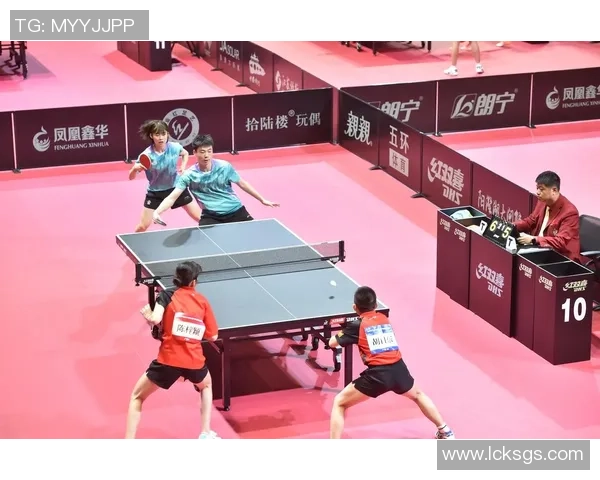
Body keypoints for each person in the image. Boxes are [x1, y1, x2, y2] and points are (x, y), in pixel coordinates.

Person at [328, 286, 455, 440]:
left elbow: (332, 343)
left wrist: (345, 330)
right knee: (418, 395)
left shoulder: (356, 326)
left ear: (355, 307)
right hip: (399, 369)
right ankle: (445, 431)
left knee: (339, 402)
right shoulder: (384, 318)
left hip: (377, 376)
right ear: (376, 305)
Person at [125, 261, 220, 439]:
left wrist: (149, 316)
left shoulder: (167, 295)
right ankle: (205, 433)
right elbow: (213, 336)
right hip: (194, 361)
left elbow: (155, 319)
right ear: (193, 282)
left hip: (168, 361)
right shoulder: (202, 302)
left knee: (137, 396)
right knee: (206, 385)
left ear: (176, 278)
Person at [152, 134, 279, 226]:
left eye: (209, 151)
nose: (206, 155)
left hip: (235, 211)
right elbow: (172, 197)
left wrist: (262, 199)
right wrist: (157, 212)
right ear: (195, 152)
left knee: (253, 239)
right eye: (202, 152)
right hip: (211, 216)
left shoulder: (224, 166)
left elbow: (242, 183)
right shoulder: (189, 175)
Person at [128, 120, 202, 232]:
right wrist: (134, 169)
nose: (161, 138)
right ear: (151, 136)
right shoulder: (146, 155)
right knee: (143, 226)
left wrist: (183, 166)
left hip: (176, 188)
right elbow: (131, 177)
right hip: (155, 192)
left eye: (163, 134)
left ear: (167, 134)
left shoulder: (174, 147)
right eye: (157, 134)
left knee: (200, 218)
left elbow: (185, 153)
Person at [515, 170, 581, 262]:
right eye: (537, 188)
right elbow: (530, 221)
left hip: (561, 259)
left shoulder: (570, 212)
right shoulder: (542, 201)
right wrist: (511, 226)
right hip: (540, 251)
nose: (537, 192)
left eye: (541, 189)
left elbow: (561, 242)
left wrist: (534, 239)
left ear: (554, 190)